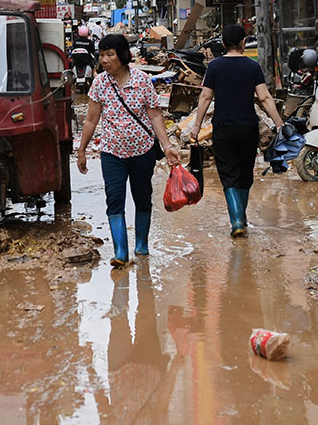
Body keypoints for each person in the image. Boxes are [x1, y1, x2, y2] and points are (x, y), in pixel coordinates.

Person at [77, 34, 181, 267]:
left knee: (142, 198)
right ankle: (121, 253)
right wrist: (82, 150)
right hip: (112, 153)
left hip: (143, 151)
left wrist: (167, 146)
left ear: (122, 56)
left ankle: (141, 246)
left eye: (109, 54)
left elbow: (155, 115)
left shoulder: (143, 81)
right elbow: (91, 121)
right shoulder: (100, 83)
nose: (104, 60)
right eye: (102, 54)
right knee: (114, 199)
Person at [188, 24, 286, 237]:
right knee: (244, 174)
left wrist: (196, 126)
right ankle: (241, 217)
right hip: (248, 128)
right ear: (243, 43)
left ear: (223, 44)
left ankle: (237, 221)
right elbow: (265, 98)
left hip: (223, 129)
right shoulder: (252, 67)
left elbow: (205, 97)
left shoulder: (214, 67)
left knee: (228, 175)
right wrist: (279, 122)